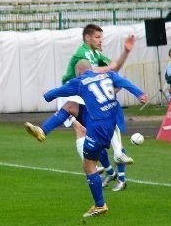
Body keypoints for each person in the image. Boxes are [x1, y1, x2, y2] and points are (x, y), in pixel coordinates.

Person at [24, 24, 135, 190]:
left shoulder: (96, 53)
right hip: (77, 93)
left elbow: (114, 67)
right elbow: (92, 72)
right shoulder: (82, 53)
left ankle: (110, 168)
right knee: (87, 125)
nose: (100, 40)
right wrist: (110, 70)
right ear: (87, 38)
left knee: (91, 131)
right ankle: (112, 163)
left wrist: (125, 52)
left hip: (86, 96)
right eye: (97, 37)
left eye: (101, 37)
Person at [43, 59, 147, 217]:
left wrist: (47, 96)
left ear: (78, 71)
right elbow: (124, 82)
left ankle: (100, 204)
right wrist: (139, 94)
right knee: (71, 106)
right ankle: (116, 161)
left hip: (98, 126)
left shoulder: (80, 81)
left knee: (88, 166)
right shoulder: (107, 75)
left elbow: (58, 91)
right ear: (91, 69)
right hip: (111, 121)